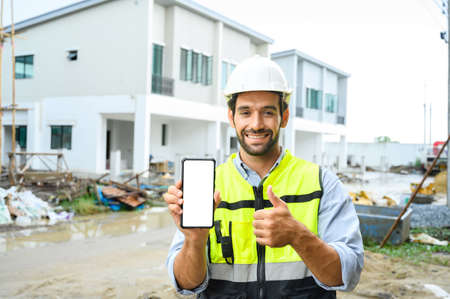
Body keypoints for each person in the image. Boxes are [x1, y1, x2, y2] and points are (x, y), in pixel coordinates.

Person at [164, 55, 364, 298]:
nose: (256, 124)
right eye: (245, 112)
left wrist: (298, 236)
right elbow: (186, 284)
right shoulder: (209, 186)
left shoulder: (322, 183)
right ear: (232, 118)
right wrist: (194, 241)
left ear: (284, 117)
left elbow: (347, 276)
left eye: (268, 112)